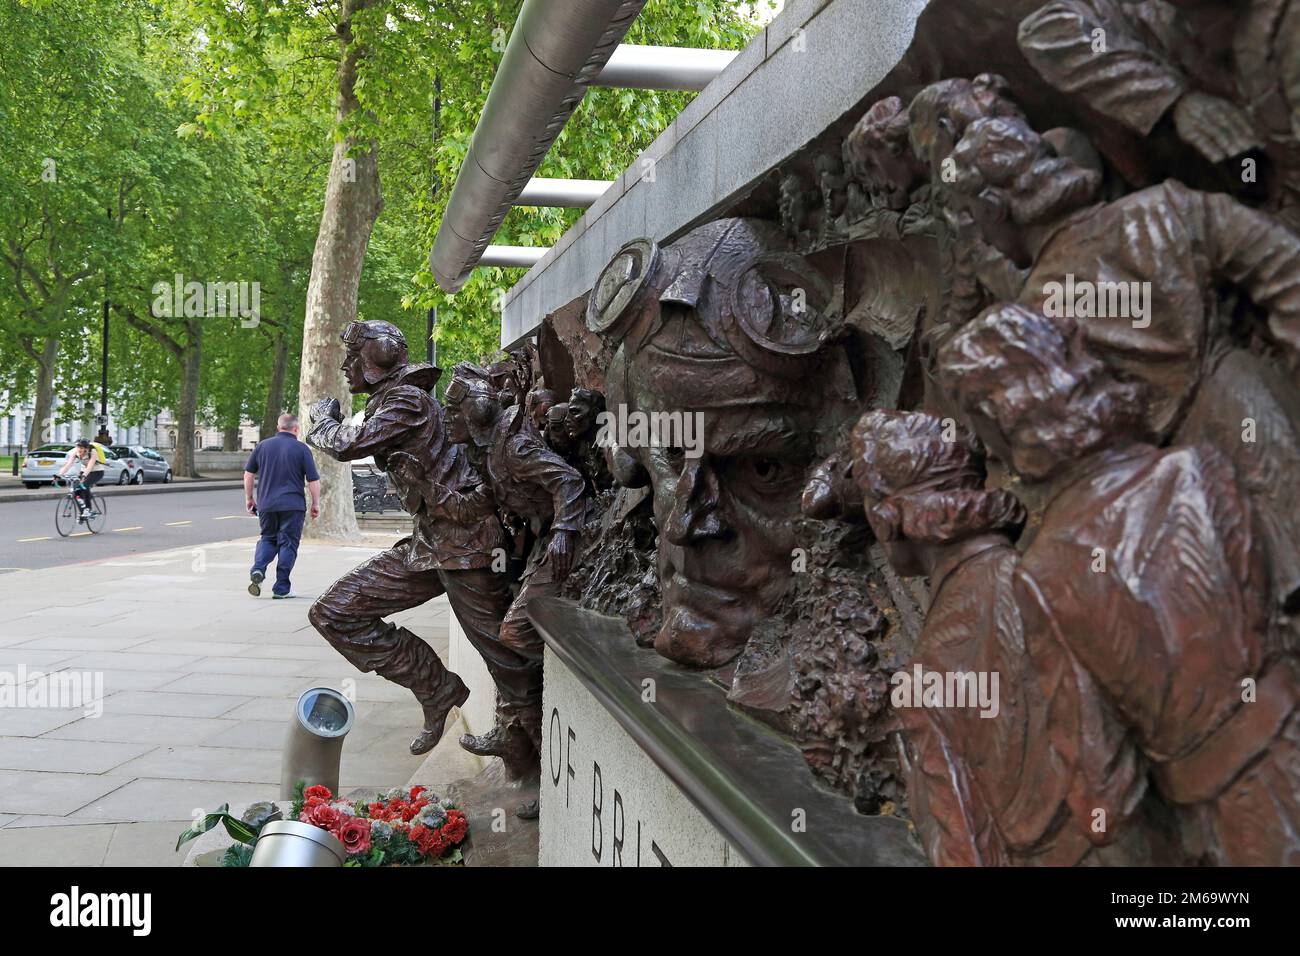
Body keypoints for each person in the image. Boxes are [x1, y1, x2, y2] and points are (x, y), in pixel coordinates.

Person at [305, 320, 525, 763]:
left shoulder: (407, 400)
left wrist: (322, 419)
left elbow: (349, 444)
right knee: (335, 613)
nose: (347, 367)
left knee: (504, 656)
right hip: (431, 543)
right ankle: (437, 688)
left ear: (380, 357)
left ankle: (527, 747)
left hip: (467, 544)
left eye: (353, 357)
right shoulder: (394, 401)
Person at [243, 412, 321, 599]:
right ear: (296, 429)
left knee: (268, 538)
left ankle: (259, 568)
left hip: (267, 504)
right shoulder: (302, 449)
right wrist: (316, 503)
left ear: (279, 428)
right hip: (292, 505)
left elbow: (248, 474)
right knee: (288, 543)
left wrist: (249, 498)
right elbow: (313, 480)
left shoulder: (262, 446)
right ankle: (282, 588)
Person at [55, 438, 105, 521]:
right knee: (75, 491)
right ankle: (83, 513)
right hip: (84, 471)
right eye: (78, 447)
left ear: (86, 448)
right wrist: (59, 475)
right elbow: (68, 464)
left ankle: (88, 510)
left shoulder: (93, 452)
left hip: (97, 471)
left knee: (84, 485)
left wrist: (84, 476)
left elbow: (90, 466)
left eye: (81, 448)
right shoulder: (76, 452)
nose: (79, 450)